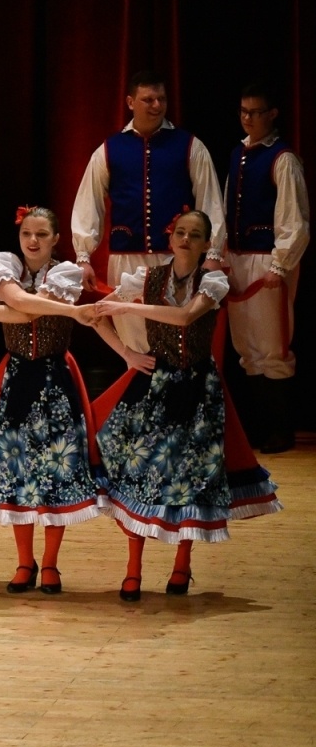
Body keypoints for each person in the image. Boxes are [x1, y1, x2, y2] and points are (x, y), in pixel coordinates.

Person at [90, 208, 281, 601]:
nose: (185, 239)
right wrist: (126, 352)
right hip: (157, 387)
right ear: (170, 236)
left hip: (198, 389)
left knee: (190, 479)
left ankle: (182, 565)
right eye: (180, 232)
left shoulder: (212, 281)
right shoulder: (147, 277)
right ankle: (133, 570)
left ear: (206, 243)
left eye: (195, 235)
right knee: (139, 475)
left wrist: (131, 308)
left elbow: (185, 316)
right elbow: (96, 316)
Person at [0, 206, 104, 595]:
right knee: (16, 471)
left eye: (42, 234)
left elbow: (26, 312)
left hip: (54, 381)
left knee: (56, 471)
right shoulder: (5, 265)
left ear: (56, 239)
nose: (32, 241)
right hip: (16, 379)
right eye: (26, 233)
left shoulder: (66, 273)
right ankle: (24, 561)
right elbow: (17, 301)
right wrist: (67, 310)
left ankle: (50, 564)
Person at [71, 69, 226, 351]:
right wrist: (83, 256)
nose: (156, 106)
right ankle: (140, 390)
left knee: (175, 338)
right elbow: (88, 202)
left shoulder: (190, 146)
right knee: (131, 335)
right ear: (131, 102)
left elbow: (210, 200)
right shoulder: (110, 148)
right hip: (127, 256)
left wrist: (213, 252)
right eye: (148, 99)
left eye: (161, 99)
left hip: (176, 256)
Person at [223, 82, 308, 453]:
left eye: (255, 112)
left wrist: (280, 263)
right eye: (243, 111)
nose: (247, 119)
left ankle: (280, 429)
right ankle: (258, 427)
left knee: (273, 346)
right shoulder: (237, 155)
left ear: (272, 114)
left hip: (268, 260)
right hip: (239, 258)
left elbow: (295, 219)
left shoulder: (282, 159)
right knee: (247, 347)